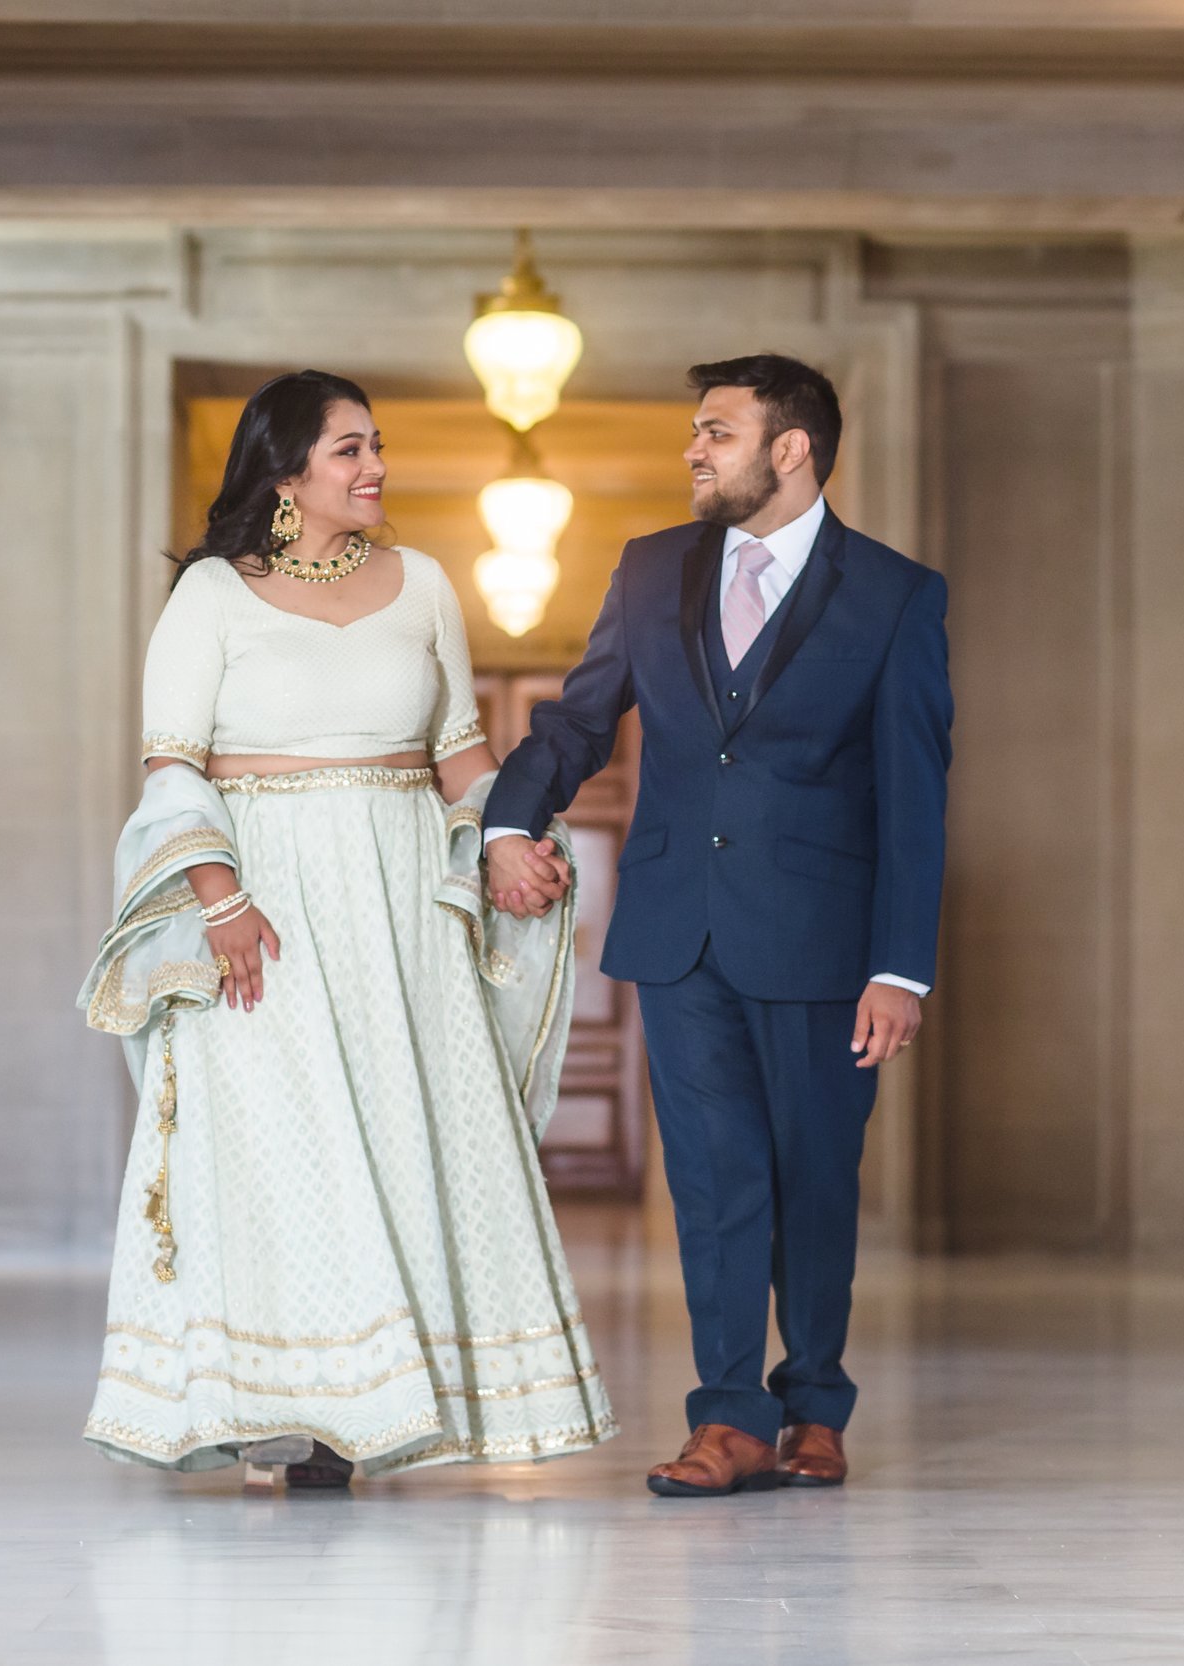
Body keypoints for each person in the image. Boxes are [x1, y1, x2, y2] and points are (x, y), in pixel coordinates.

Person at [79, 370, 615, 1488]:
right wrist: (219, 899)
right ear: (285, 474)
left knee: (393, 1128)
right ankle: (280, 1403)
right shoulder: (213, 596)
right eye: (348, 450)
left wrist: (506, 833)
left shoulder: (423, 584)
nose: (375, 467)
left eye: (375, 446)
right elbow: (171, 762)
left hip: (401, 900)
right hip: (263, 905)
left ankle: (374, 1407)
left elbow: (461, 752)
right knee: (278, 1147)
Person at [483, 354, 952, 1497]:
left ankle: (816, 1402)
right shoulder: (652, 571)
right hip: (674, 929)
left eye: (716, 432)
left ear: (789, 448)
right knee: (712, 1174)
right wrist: (507, 821)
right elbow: (578, 719)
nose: (692, 450)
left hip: (825, 941)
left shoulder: (895, 595)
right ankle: (730, 1417)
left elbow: (914, 792)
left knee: (813, 1176)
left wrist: (901, 969)